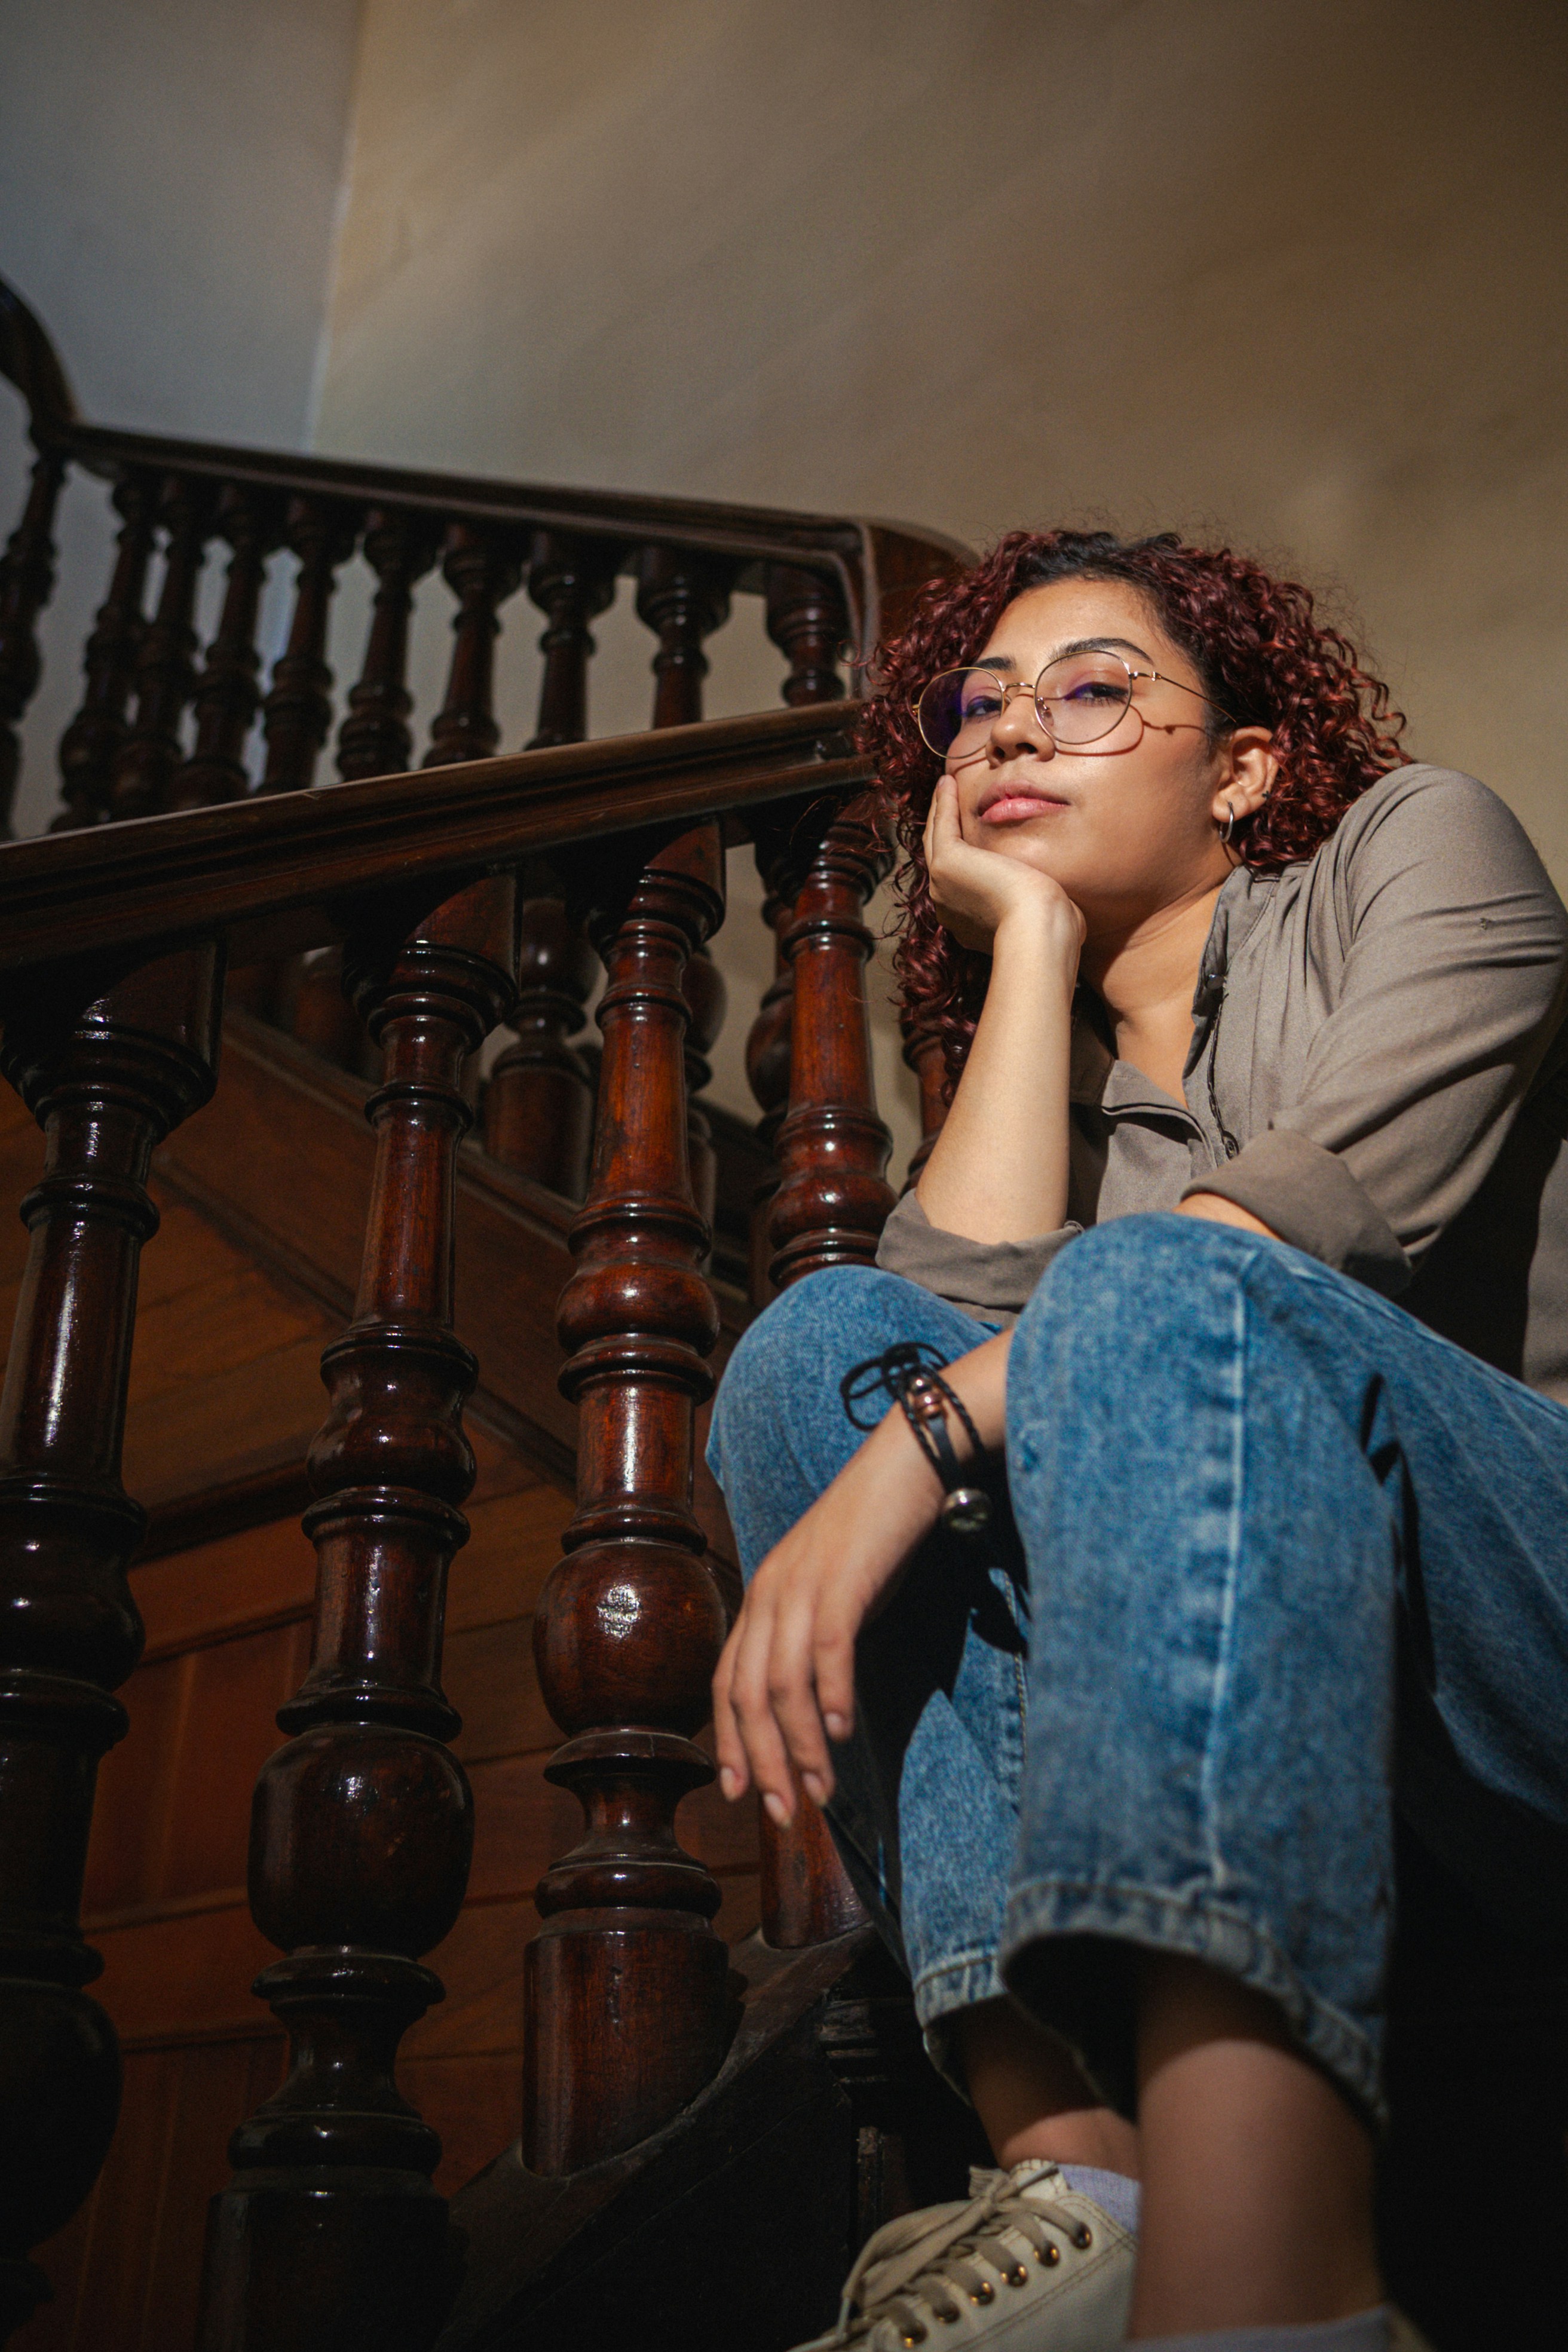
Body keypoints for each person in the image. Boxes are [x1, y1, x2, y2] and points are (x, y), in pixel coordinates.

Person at [705, 529, 1568, 2352]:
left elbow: (1293, 1237)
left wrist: (924, 1440)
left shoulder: (1412, 849)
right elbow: (909, 1356)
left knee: (1152, 1292)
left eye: (1094, 690)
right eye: (980, 712)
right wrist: (1027, 942)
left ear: (1241, 765)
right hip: (1305, 1703)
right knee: (818, 1345)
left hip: (1525, 1617)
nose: (1013, 734)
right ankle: (1083, 2182)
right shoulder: (1071, 1121)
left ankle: (1277, 2298)